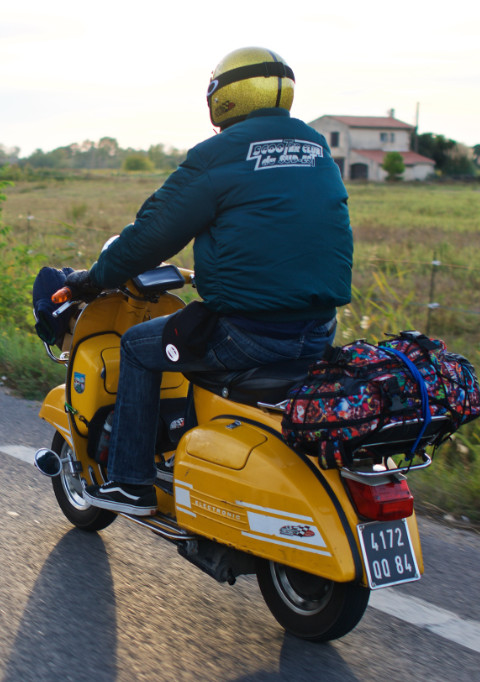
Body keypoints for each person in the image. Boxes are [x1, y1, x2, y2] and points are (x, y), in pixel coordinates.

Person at [65, 47, 353, 516]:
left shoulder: (220, 154)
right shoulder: (314, 145)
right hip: (319, 330)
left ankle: (130, 482)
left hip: (250, 335)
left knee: (139, 346)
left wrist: (90, 282)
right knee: (193, 335)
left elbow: (150, 236)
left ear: (225, 97)